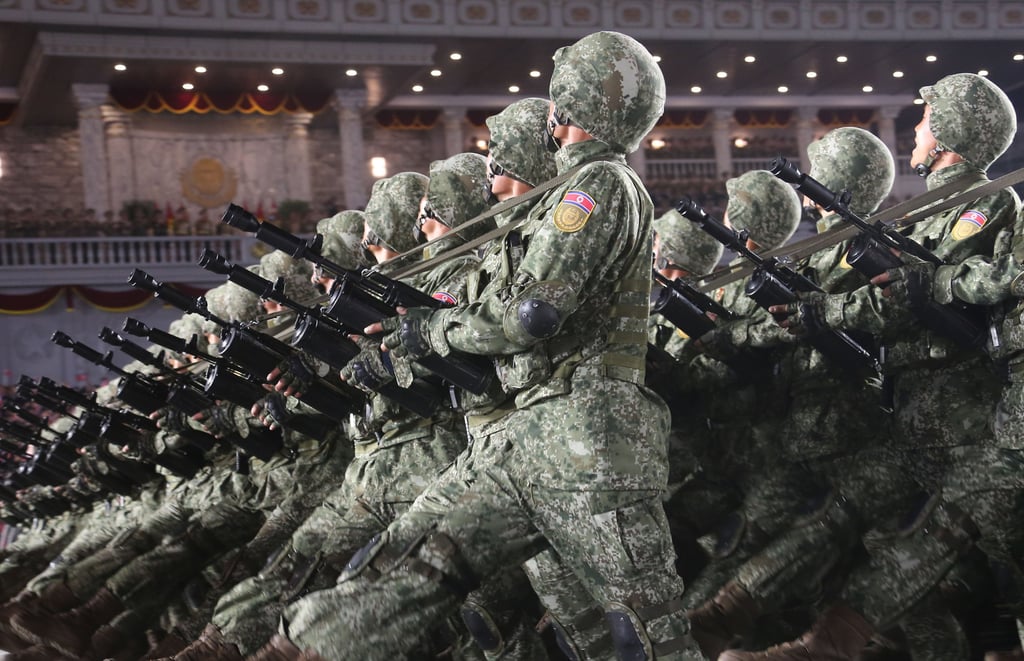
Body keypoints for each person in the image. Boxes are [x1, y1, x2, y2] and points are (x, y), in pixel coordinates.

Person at [251, 30, 706, 661]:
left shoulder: (599, 186)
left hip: (590, 438)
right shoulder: (563, 197)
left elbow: (534, 313)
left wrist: (433, 329)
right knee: (407, 569)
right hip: (528, 438)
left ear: (569, 103)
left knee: (645, 636)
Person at [720, 72, 1021, 661]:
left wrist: (820, 311)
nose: (916, 127)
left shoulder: (982, 202)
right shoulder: (921, 211)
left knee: (956, 548)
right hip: (911, 408)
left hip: (958, 409)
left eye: (928, 119)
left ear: (953, 134)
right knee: (911, 548)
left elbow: (915, 293)